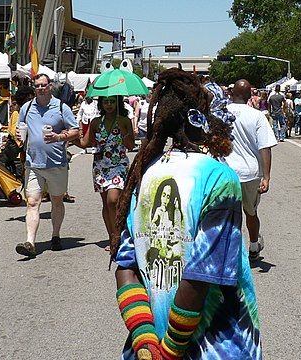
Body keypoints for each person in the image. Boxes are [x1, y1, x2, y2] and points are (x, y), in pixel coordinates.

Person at [112, 69, 261, 359]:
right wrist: (170, 351)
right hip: (213, 347)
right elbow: (203, 274)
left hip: (149, 343)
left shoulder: (144, 174)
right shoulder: (219, 177)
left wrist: (144, 341)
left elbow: (126, 268)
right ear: (200, 119)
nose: (224, 122)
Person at [15, 73, 79, 258]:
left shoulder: (61, 107)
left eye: (43, 85)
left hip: (56, 164)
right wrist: (20, 136)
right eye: (37, 86)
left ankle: (55, 235)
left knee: (57, 201)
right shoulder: (26, 108)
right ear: (34, 88)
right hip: (33, 163)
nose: (41, 89)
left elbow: (75, 130)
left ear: (50, 86)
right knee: (33, 202)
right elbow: (20, 128)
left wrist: (59, 137)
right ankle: (30, 242)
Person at [224, 79, 277, 260]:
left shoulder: (221, 114)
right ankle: (254, 246)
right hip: (250, 173)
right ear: (249, 96)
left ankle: (229, 251)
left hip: (225, 172)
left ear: (231, 94)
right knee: (251, 212)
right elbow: (265, 147)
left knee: (227, 215)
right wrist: (267, 177)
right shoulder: (257, 116)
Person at [79, 95, 135, 252]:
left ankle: (118, 236)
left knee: (113, 200)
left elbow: (130, 145)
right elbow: (85, 142)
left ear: (117, 103)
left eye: (112, 101)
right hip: (101, 166)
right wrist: (63, 137)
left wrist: (124, 132)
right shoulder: (96, 122)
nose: (109, 105)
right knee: (106, 203)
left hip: (119, 165)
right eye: (106, 101)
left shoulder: (124, 120)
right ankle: (112, 238)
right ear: (101, 103)